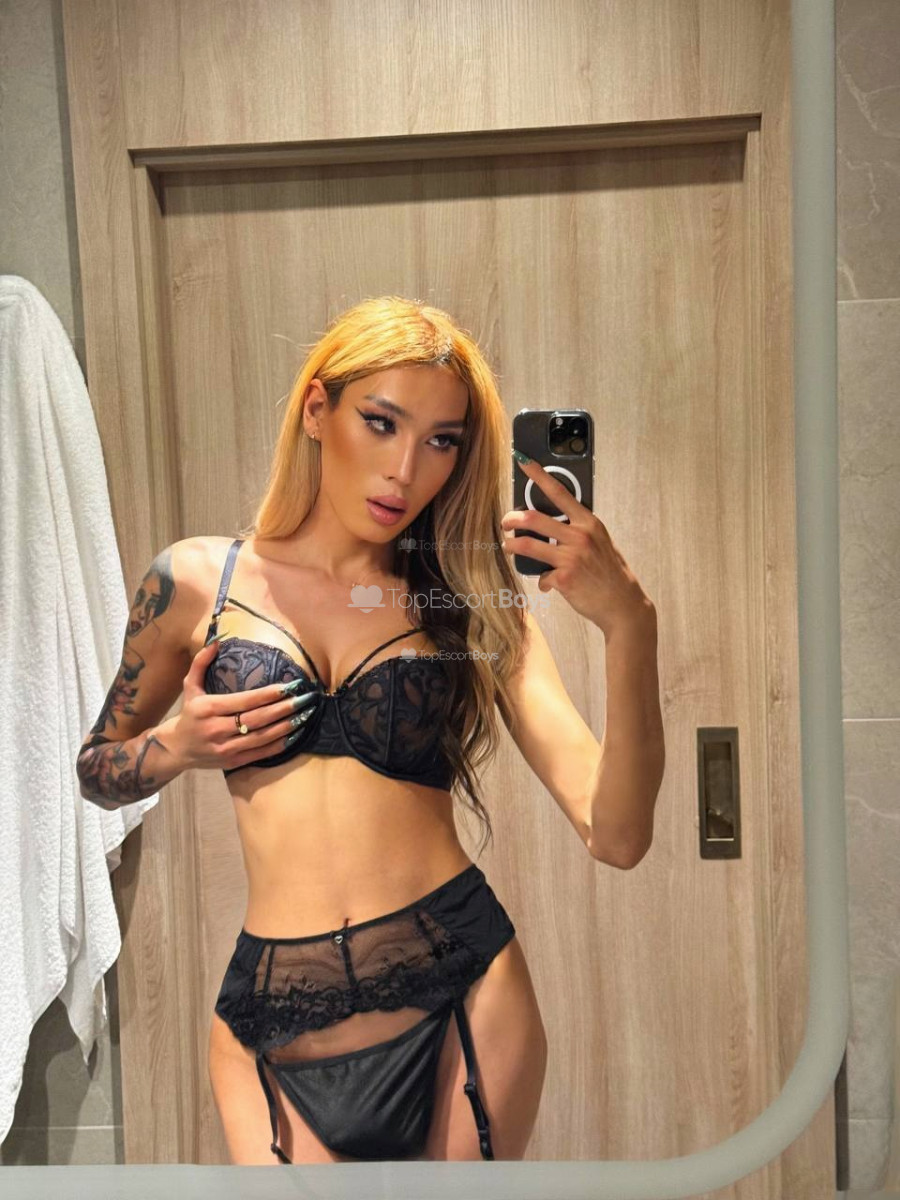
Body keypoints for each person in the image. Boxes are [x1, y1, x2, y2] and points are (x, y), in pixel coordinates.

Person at [77, 295, 660, 1164]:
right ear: (318, 410)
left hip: (460, 989)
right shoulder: (195, 580)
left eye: (441, 441)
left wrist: (630, 626)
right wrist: (178, 746)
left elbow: (616, 836)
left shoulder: (469, 602)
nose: (404, 471)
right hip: (272, 1016)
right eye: (381, 424)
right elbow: (95, 769)